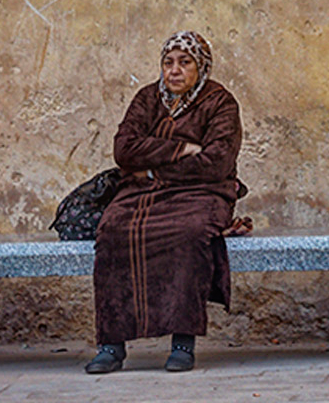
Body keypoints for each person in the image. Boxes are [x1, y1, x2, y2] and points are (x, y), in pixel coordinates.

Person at [87, 31, 243, 374]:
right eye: (168, 62)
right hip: (141, 192)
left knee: (190, 233)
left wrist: (153, 170)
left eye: (184, 63)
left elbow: (216, 161)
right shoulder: (147, 99)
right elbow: (123, 150)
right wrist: (181, 149)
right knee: (112, 230)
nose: (174, 71)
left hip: (202, 192)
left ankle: (183, 343)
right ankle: (111, 346)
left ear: (200, 67)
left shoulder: (220, 103)